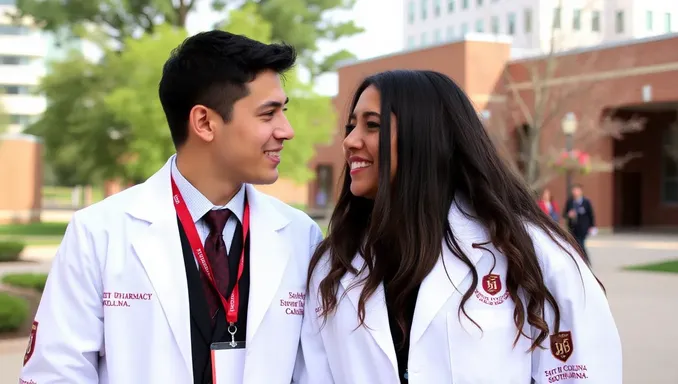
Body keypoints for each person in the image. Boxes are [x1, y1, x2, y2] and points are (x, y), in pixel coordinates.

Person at [20, 31, 323, 384]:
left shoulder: (301, 236)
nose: (286, 131)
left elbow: (314, 370)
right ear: (205, 122)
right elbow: (56, 372)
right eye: (268, 114)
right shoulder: (99, 232)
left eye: (283, 112)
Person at [293, 70, 621, 383]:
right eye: (351, 127)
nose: (350, 141)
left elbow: (583, 372)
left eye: (372, 126)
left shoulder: (532, 252)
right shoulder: (333, 264)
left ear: (425, 136)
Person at [563, 184, 596, 265]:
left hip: (583, 228)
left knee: (581, 244)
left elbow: (591, 214)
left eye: (577, 190)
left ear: (581, 191)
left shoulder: (586, 202)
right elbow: (564, 214)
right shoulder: (570, 202)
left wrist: (592, 226)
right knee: (574, 245)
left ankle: (585, 261)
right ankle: (578, 261)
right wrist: (569, 214)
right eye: (574, 190)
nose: (575, 192)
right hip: (572, 228)